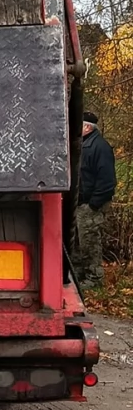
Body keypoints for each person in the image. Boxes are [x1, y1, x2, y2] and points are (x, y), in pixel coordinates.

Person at [74, 110, 115, 289]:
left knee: (89, 241)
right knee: (76, 240)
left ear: (87, 127)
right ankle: (78, 274)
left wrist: (94, 204)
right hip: (79, 203)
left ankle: (94, 278)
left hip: (90, 205)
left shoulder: (100, 147)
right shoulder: (83, 145)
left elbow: (107, 181)